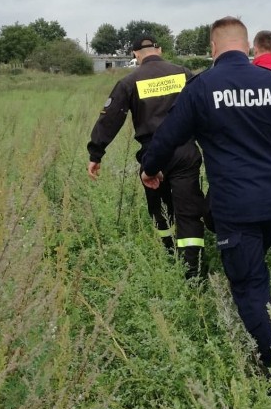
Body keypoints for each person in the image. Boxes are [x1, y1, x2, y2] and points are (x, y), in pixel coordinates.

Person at [140, 17, 271, 396]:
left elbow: (168, 136)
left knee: (249, 286)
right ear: (248, 48)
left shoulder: (202, 87)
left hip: (235, 205)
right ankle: (269, 331)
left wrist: (150, 169)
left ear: (213, 48)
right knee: (257, 272)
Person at [87, 33, 207, 279]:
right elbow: (205, 110)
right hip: (185, 151)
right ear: (159, 50)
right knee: (189, 208)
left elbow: (110, 118)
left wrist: (96, 153)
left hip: (153, 155)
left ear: (134, 54)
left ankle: (169, 253)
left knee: (160, 207)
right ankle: (193, 270)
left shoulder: (129, 82)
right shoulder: (184, 74)